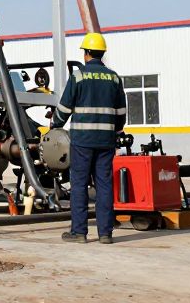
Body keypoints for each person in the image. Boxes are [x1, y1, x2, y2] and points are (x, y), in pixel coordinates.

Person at [51, 32, 127, 244]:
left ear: (86, 53)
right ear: (101, 53)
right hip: (105, 141)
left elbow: (65, 107)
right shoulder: (113, 77)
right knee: (104, 185)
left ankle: (79, 232)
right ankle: (105, 233)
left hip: (83, 141)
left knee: (79, 184)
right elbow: (121, 111)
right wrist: (117, 131)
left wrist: (54, 124)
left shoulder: (79, 76)